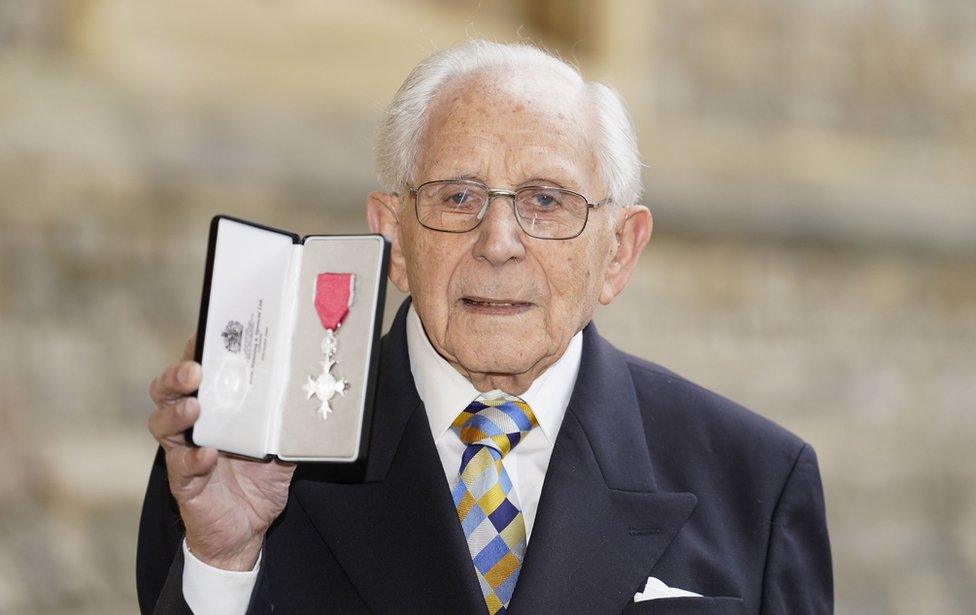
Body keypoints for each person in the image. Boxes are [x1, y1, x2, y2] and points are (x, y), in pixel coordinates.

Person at [137, 40, 832, 615]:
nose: (498, 241)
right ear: (395, 240)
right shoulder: (247, 460)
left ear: (617, 250)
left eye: (546, 201)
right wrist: (224, 563)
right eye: (459, 196)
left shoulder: (757, 482)